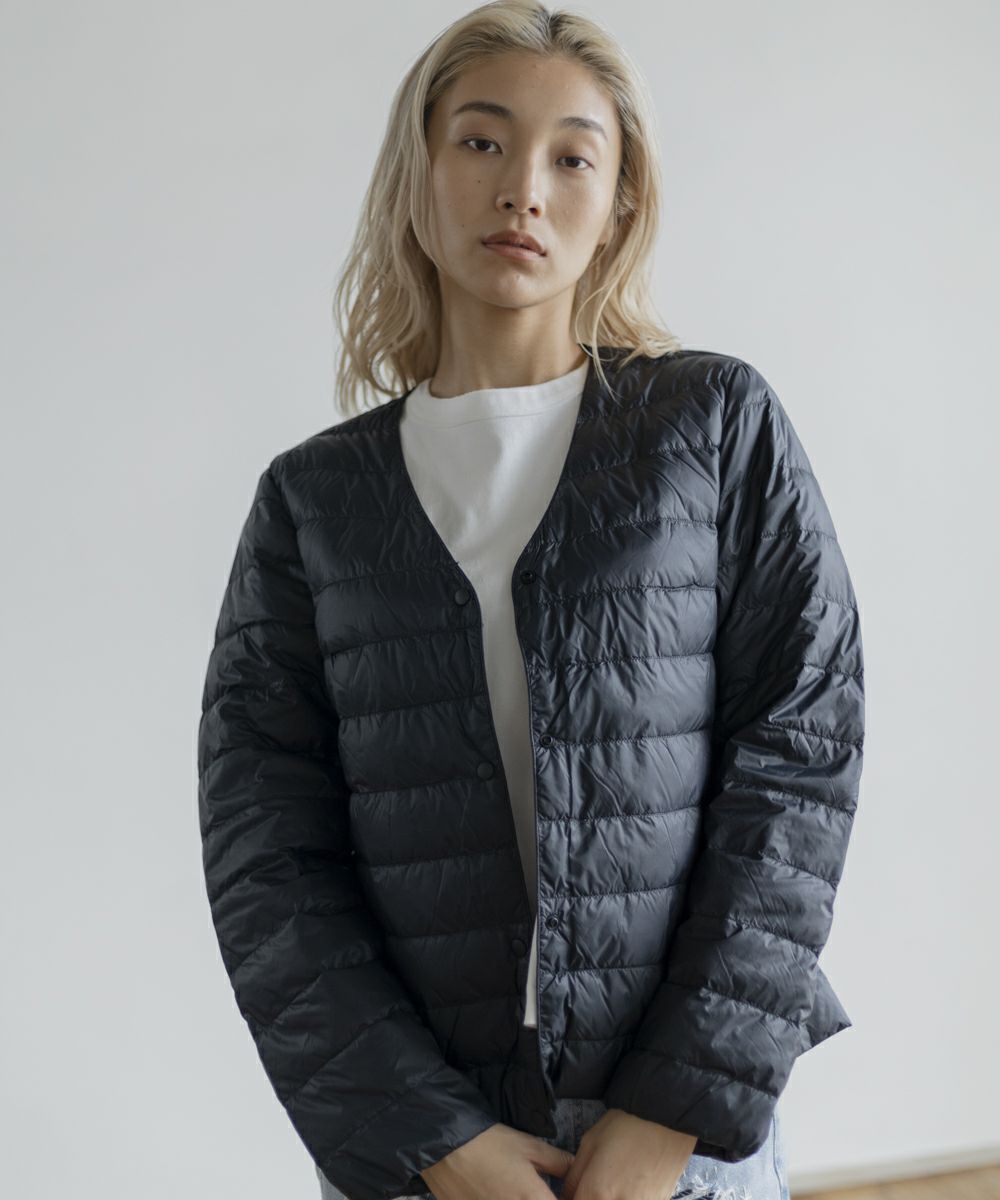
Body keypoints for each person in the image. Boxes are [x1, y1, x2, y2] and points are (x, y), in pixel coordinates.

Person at [196, 4, 864, 1200]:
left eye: (572, 157)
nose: (523, 190)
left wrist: (669, 1114)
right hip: (432, 1151)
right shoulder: (312, 501)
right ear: (417, 174)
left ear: (619, 202)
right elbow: (265, 852)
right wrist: (431, 1138)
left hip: (678, 1143)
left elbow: (799, 759)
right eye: (482, 142)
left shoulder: (711, 428)